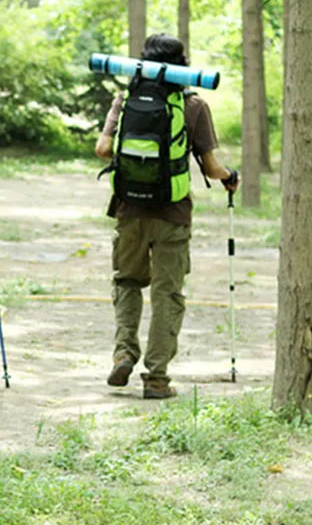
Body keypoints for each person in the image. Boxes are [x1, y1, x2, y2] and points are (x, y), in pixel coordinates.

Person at [95, 34, 239, 399]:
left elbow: (102, 149)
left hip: (128, 210)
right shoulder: (193, 107)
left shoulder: (124, 100)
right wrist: (230, 177)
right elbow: (209, 166)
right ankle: (156, 378)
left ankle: (124, 353)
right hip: (172, 214)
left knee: (127, 282)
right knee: (167, 293)